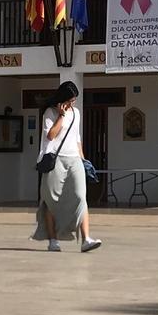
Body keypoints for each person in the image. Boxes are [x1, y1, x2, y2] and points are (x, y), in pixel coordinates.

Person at [31, 81, 102, 253]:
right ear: (62, 99)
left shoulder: (76, 113)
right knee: (51, 200)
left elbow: (77, 139)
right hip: (55, 160)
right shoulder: (50, 113)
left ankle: (86, 239)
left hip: (74, 159)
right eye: (70, 100)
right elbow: (50, 136)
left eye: (74, 100)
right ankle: (53, 240)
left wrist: (83, 161)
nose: (72, 104)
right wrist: (61, 116)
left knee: (80, 197)